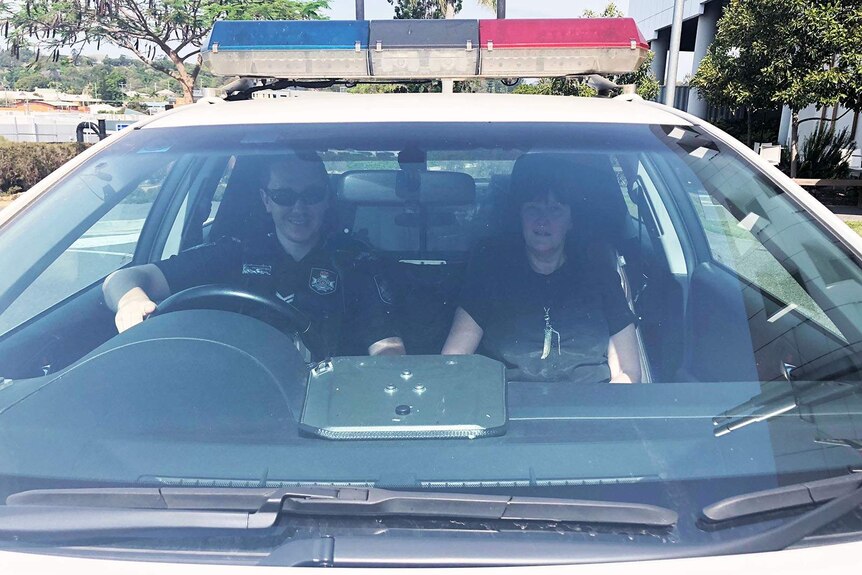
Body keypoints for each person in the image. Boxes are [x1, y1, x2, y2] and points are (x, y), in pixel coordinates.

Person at [103, 152, 406, 360]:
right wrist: (131, 302)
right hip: (236, 394)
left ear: (327, 199)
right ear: (266, 201)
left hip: (330, 404)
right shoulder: (232, 254)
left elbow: (387, 347)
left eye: (311, 195)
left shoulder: (355, 262)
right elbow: (123, 279)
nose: (298, 209)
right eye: (284, 196)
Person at [441, 156, 641, 383]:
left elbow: (628, 373)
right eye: (533, 209)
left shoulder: (600, 275)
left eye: (555, 210)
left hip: (592, 407)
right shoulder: (491, 274)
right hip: (504, 410)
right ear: (521, 217)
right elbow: (455, 359)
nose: (542, 221)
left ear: (571, 221)